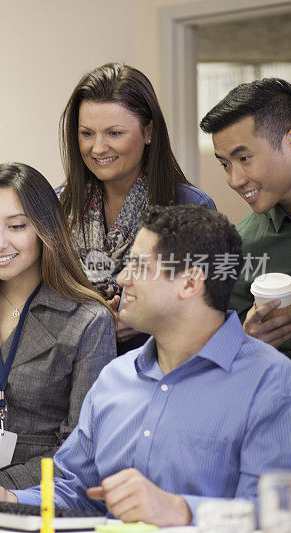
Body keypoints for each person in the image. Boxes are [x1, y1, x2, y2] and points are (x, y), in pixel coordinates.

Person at [0, 205, 291, 527]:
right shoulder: (116, 378)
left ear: (190, 282)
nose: (122, 279)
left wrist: (181, 511)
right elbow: (75, 491)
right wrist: (5, 498)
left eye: (139, 266)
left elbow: (279, 518)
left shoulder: (275, 385)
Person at [0, 163, 115, 490]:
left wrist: (0, 487)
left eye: (16, 226)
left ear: (46, 229)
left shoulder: (87, 320)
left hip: (32, 492)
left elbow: (80, 451)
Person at [58, 62, 216, 353]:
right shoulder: (57, 207)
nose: (98, 148)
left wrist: (149, 319)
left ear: (148, 132)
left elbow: (209, 310)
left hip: (161, 374)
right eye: (87, 133)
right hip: (70, 379)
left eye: (114, 133)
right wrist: (92, 322)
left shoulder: (190, 207)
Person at [200, 78, 291, 371]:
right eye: (225, 164)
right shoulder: (243, 245)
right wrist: (246, 338)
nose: (234, 180)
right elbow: (214, 351)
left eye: (244, 158)